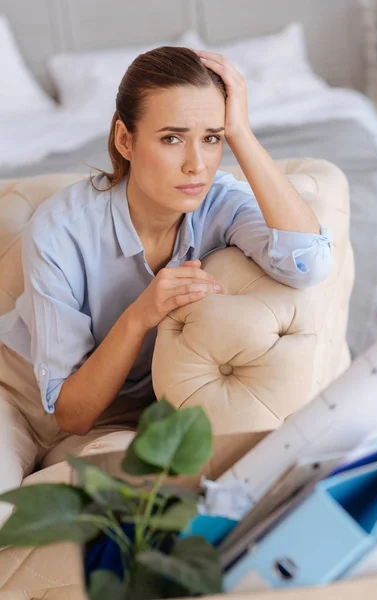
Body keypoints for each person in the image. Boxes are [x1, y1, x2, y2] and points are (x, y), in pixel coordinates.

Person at [0, 46, 333, 522]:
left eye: (212, 138)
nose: (197, 164)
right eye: (173, 139)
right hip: (18, 397)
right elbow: (69, 411)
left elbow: (310, 264)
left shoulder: (222, 204)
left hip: (119, 419)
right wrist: (141, 314)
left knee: (142, 512)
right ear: (125, 139)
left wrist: (240, 131)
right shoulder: (61, 230)